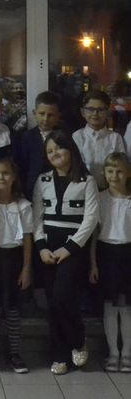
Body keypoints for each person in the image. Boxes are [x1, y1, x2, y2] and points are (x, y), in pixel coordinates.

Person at [32, 130, 99, 375]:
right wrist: (41, 247)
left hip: (74, 248)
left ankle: (78, 340)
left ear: (70, 149)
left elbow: (91, 219)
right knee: (53, 303)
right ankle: (59, 354)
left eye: (59, 148)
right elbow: (36, 217)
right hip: (48, 248)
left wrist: (69, 248)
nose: (55, 154)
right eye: (49, 151)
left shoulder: (87, 181)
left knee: (63, 298)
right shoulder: (42, 180)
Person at [0, 146, 32, 374]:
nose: (1, 177)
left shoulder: (23, 205)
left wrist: (26, 268)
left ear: (13, 176)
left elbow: (27, 238)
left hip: (15, 260)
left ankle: (15, 352)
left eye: (5, 173)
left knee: (13, 308)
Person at [89, 152, 131, 373]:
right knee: (109, 306)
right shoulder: (100, 198)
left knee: (126, 308)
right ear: (104, 173)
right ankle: (113, 353)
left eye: (120, 171)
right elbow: (94, 234)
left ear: (128, 173)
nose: (115, 175)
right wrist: (93, 263)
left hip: (128, 253)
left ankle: (127, 354)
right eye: (110, 171)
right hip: (107, 253)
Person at [72, 89, 126, 188]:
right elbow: (75, 167)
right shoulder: (77, 136)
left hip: (110, 189)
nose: (95, 114)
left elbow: (121, 166)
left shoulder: (115, 138)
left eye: (100, 110)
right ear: (83, 112)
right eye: (90, 109)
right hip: (84, 189)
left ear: (108, 112)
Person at [19, 91, 62, 201]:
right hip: (32, 190)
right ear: (34, 113)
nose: (45, 119)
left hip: (58, 188)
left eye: (50, 115)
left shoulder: (63, 137)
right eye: (42, 114)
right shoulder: (27, 137)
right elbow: (22, 167)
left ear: (58, 116)